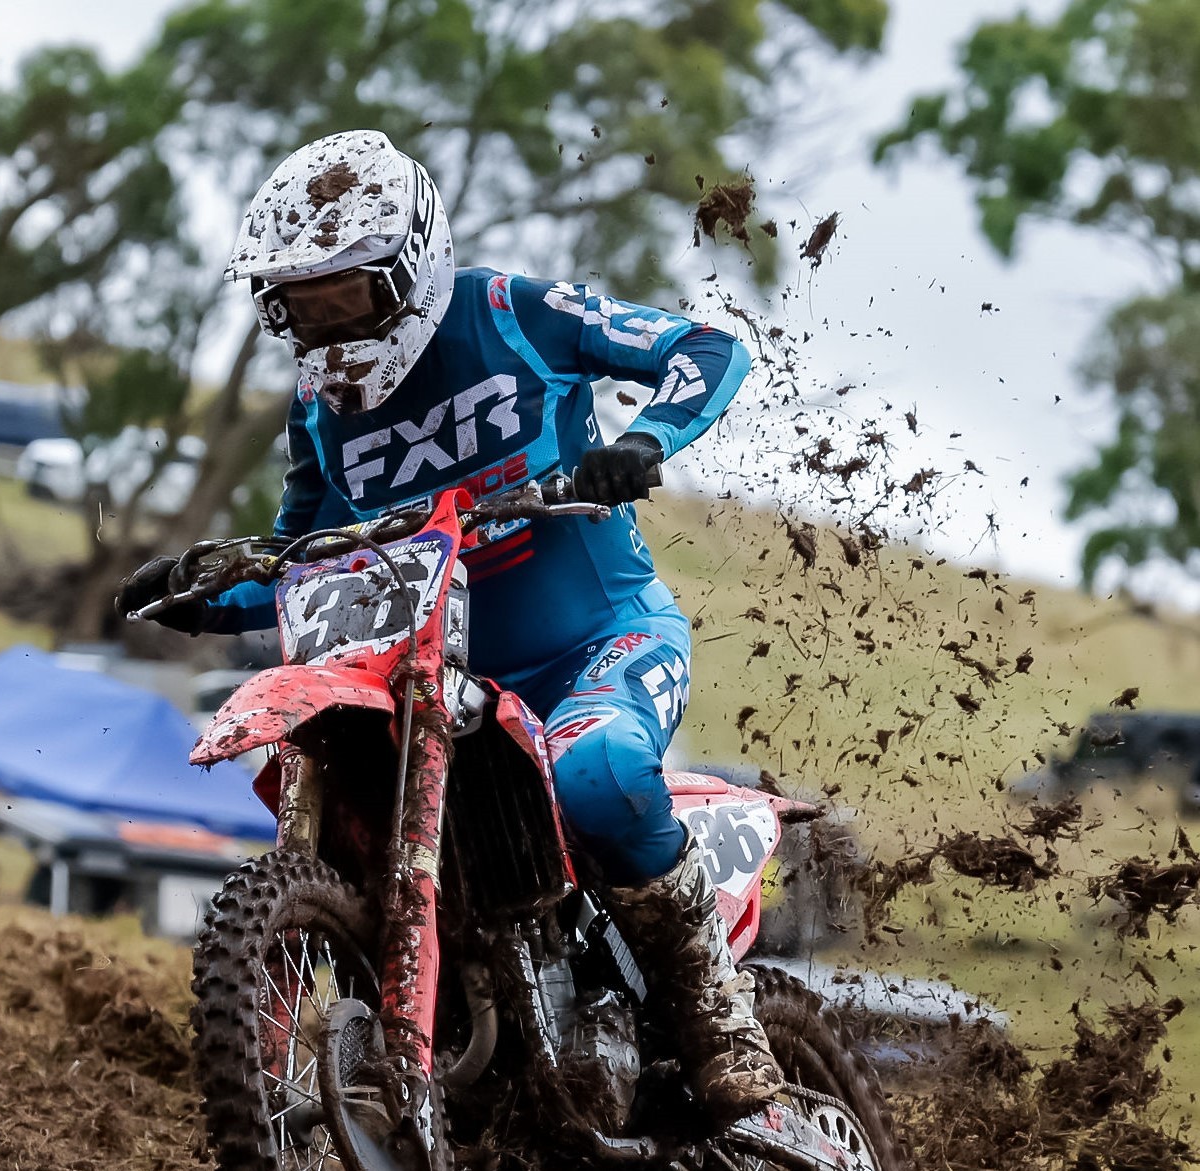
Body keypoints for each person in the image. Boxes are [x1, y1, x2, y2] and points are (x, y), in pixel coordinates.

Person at [118, 130, 783, 1117]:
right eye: (302, 303)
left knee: (598, 778)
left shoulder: (513, 314)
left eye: (346, 293)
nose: (329, 323)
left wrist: (639, 441)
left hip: (596, 644)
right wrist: (205, 592)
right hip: (426, 678)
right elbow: (303, 556)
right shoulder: (315, 408)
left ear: (411, 264)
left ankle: (714, 1017)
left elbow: (704, 347)